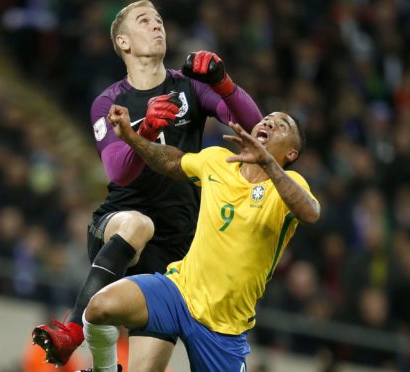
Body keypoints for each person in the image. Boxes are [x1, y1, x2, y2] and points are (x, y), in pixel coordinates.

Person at [32, 0, 263, 371]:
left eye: (159, 20)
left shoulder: (189, 88)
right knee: (139, 222)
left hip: (177, 251)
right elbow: (119, 172)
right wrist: (146, 128)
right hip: (117, 230)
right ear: (123, 41)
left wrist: (223, 83)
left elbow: (253, 127)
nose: (158, 26)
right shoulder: (108, 101)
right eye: (145, 21)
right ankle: (71, 329)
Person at [82, 105, 320, 371]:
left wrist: (268, 163)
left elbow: (310, 212)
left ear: (291, 153)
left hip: (224, 328)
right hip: (179, 292)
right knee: (99, 308)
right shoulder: (218, 161)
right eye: (267, 119)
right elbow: (172, 161)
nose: (270, 123)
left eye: (282, 125)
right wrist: (132, 137)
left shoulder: (289, 184)